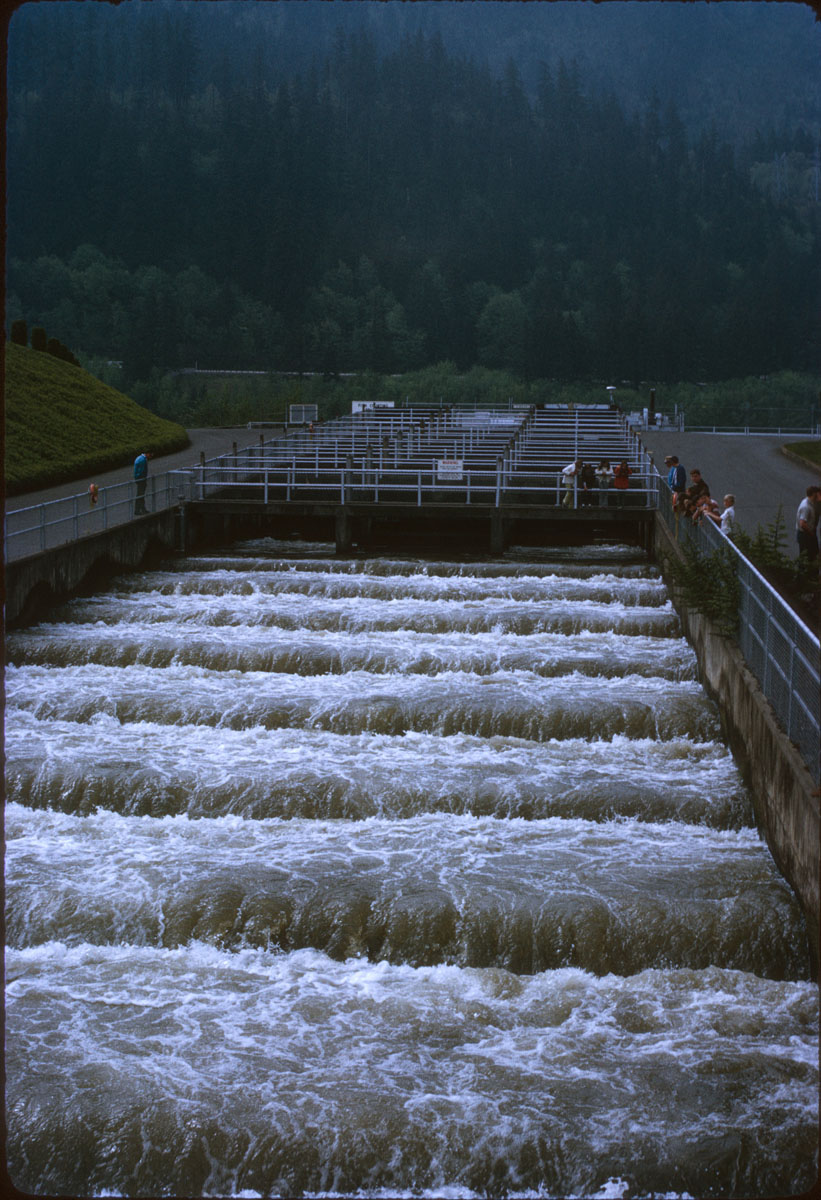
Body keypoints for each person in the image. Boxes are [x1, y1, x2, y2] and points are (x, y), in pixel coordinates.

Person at [796, 484, 821, 562]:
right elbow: (802, 523)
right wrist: (811, 533)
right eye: (818, 494)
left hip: (808, 533)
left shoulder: (810, 503)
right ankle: (804, 572)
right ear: (814, 494)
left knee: (813, 554)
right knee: (806, 556)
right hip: (805, 535)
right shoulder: (806, 506)